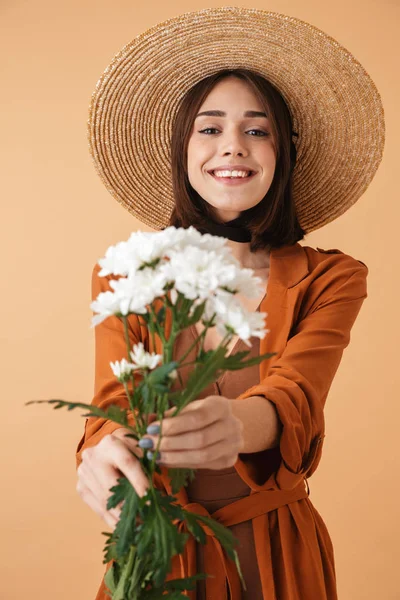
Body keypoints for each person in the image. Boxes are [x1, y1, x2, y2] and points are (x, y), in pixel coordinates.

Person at [75, 7, 385, 599]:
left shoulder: (331, 278)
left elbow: (296, 396)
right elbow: (112, 400)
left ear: (283, 151)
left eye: (258, 129)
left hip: (278, 555)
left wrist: (237, 425)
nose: (233, 147)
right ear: (183, 148)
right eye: (210, 128)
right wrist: (100, 453)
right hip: (159, 546)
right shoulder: (126, 272)